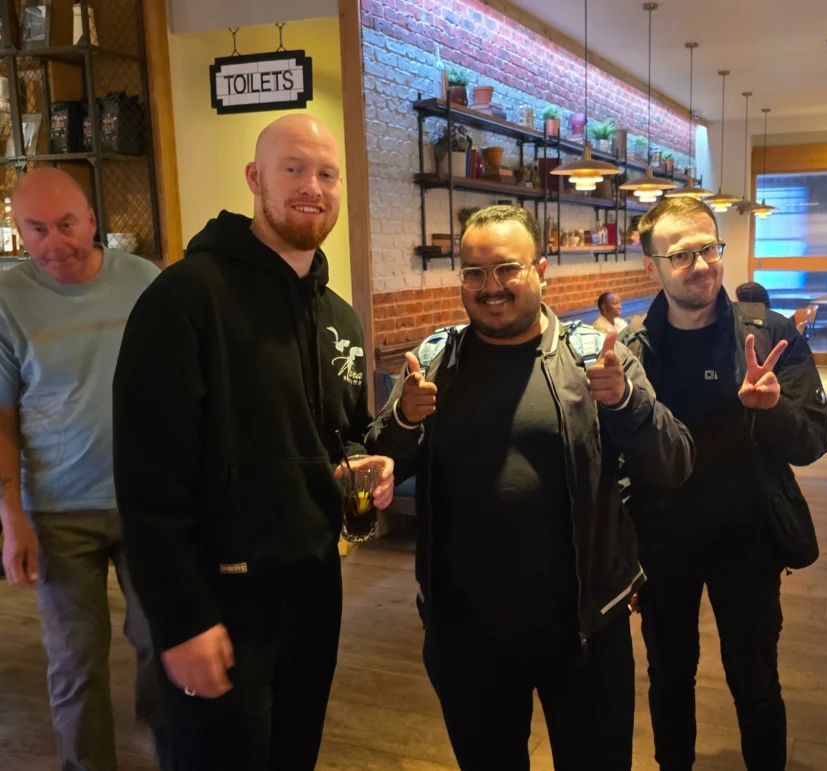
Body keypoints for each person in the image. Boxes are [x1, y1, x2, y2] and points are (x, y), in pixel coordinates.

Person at [111, 114, 394, 771]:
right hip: (221, 597)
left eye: (326, 174)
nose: (312, 187)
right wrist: (180, 619)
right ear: (254, 179)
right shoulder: (184, 299)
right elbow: (147, 480)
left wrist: (362, 463)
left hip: (316, 587)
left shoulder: (337, 315)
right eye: (292, 168)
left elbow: (334, 437)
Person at [366, 205, 694, 771]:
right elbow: (383, 463)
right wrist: (402, 422)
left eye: (507, 269)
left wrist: (625, 402)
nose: (490, 287)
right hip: (468, 635)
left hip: (584, 628)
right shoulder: (434, 361)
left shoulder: (594, 355)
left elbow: (675, 461)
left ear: (541, 269)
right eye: (473, 272)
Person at [625, 196, 827, 771]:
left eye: (709, 248)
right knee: (669, 678)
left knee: (756, 679)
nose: (702, 264)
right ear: (653, 267)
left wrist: (771, 409)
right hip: (664, 545)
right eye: (682, 254)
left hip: (750, 540)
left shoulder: (769, 334)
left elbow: (815, 439)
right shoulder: (633, 351)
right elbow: (619, 458)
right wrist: (622, 554)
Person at [0, 168, 168, 770]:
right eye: (35, 229)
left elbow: (178, 384)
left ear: (93, 220)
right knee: (74, 663)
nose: (53, 243)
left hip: (146, 501)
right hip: (56, 512)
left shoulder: (144, 281)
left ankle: (170, 748)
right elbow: (2, 419)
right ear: (19, 230)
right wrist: (11, 516)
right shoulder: (7, 299)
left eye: (66, 225)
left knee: (161, 643)